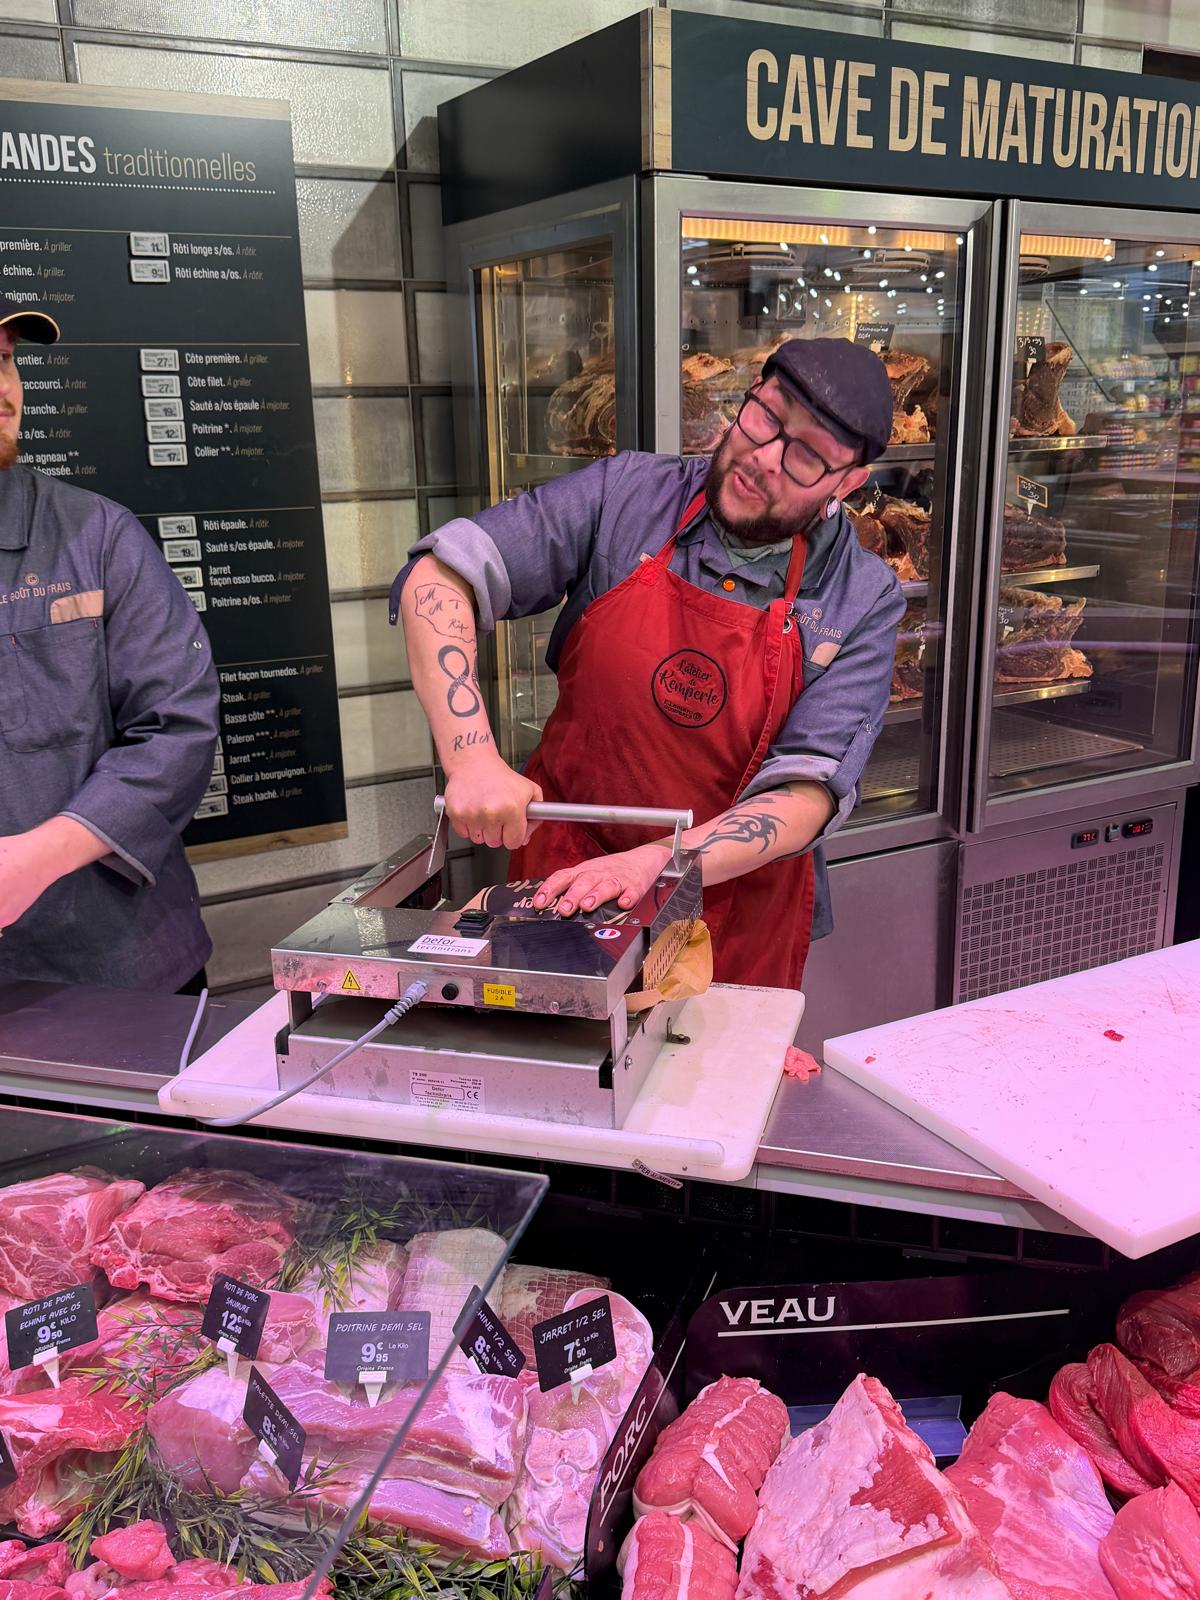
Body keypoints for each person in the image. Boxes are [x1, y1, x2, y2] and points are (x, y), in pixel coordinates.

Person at [393, 338, 906, 987]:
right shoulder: (626, 495)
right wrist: (469, 754)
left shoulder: (860, 597)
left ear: (849, 481)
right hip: (565, 878)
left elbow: (805, 793)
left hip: (730, 904)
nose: (764, 458)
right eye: (764, 417)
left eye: (805, 456)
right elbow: (440, 574)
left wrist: (653, 863)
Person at [0, 296, 219, 993]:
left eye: (5, 361)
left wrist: (39, 855)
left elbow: (178, 726)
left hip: (118, 968)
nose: (3, 389)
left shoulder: (97, 536)